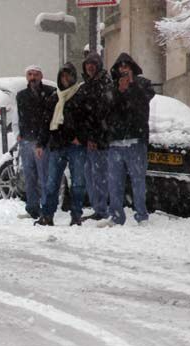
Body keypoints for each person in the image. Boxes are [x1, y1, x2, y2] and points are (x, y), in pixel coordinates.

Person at [98, 53, 155, 227]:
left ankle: (142, 216)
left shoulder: (143, 84)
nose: (123, 69)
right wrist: (119, 91)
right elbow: (104, 110)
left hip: (135, 142)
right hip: (115, 143)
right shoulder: (110, 88)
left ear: (132, 68)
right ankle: (116, 216)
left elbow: (144, 101)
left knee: (138, 181)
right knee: (114, 183)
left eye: (126, 66)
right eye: (120, 67)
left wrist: (131, 87)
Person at [35, 62, 88, 226]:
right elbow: (46, 123)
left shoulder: (80, 95)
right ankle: (47, 215)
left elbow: (88, 120)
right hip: (57, 145)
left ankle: (76, 215)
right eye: (63, 76)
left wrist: (81, 137)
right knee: (52, 183)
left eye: (68, 75)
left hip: (76, 146)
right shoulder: (54, 97)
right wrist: (40, 143)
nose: (65, 79)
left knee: (78, 183)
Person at [14, 65, 56, 220]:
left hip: (43, 141)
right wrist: (19, 133)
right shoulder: (21, 95)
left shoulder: (50, 93)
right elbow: (17, 116)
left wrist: (46, 138)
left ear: (41, 76)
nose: (33, 77)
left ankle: (46, 208)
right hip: (26, 140)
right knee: (29, 176)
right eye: (30, 74)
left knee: (44, 176)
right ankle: (32, 208)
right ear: (27, 77)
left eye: (36, 74)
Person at [80, 52, 112, 221]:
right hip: (89, 140)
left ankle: (102, 210)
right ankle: (98, 208)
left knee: (99, 175)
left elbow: (101, 114)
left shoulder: (104, 85)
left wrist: (94, 137)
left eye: (93, 63)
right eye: (87, 64)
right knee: (91, 175)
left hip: (100, 140)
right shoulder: (86, 86)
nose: (90, 66)